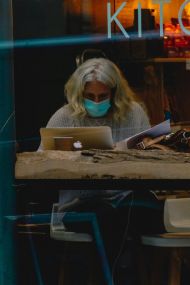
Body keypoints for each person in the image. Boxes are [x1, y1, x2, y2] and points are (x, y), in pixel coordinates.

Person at [40, 58, 158, 284]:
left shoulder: (133, 113)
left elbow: (147, 156)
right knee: (106, 219)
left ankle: (119, 272)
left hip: (125, 198)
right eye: (90, 96)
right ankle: (117, 275)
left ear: (115, 93)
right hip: (80, 202)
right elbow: (41, 161)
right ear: (79, 93)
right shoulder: (65, 117)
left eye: (103, 96)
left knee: (147, 212)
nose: (96, 102)